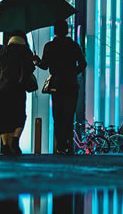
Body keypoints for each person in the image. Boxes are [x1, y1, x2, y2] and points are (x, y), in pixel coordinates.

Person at [35, 21, 87, 154]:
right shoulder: (74, 45)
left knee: (58, 116)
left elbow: (44, 65)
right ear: (67, 31)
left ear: (55, 32)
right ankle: (70, 145)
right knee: (69, 115)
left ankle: (61, 146)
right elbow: (83, 63)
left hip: (57, 84)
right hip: (71, 83)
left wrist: (36, 60)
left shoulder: (50, 46)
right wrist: (74, 71)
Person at [0, 31, 35, 155]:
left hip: (3, 89)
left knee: (4, 116)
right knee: (20, 115)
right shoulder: (26, 52)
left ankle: (5, 145)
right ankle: (16, 140)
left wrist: (0, 82)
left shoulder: (3, 50)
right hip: (19, 88)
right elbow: (30, 69)